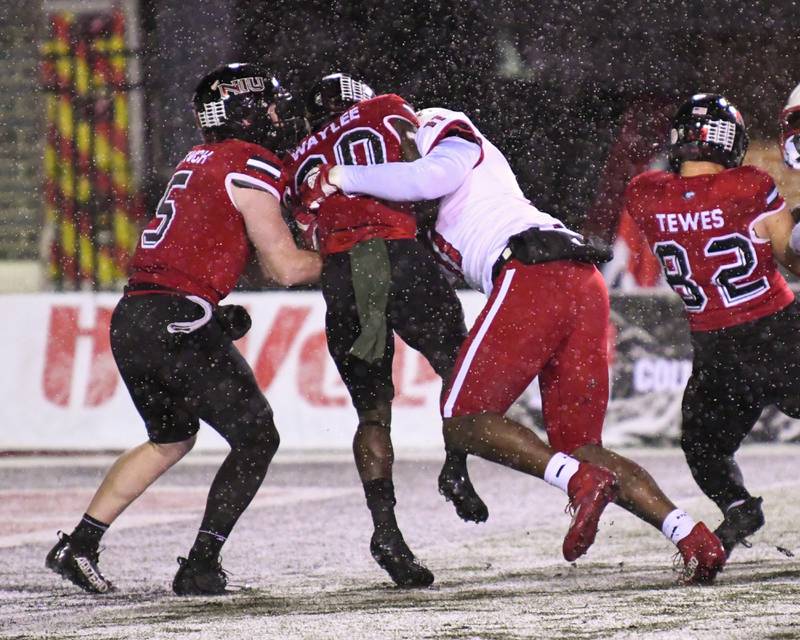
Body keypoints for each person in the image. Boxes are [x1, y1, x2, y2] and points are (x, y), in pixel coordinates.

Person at [301, 106, 726, 584]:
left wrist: (339, 174)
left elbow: (429, 174)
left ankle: (580, 482)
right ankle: (693, 537)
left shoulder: (441, 131)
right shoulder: (423, 220)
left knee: (464, 420)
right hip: (577, 281)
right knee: (581, 446)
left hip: (532, 268)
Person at [284, 75, 619, 587]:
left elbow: (306, 232)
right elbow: (422, 175)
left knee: (372, 413)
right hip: (397, 255)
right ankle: (456, 469)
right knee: (463, 375)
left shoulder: (296, 164)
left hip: (342, 273)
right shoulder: (390, 109)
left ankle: (386, 529)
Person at [45, 63, 322, 595]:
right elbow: (286, 267)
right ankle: (201, 562)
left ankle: (78, 543)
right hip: (174, 318)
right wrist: (359, 256)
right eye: (267, 104)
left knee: (171, 437)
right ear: (243, 112)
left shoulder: (199, 161)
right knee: (256, 436)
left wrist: (212, 311)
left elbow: (186, 252)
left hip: (136, 316)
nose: (275, 114)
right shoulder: (248, 162)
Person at [621, 93, 800, 558]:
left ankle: (739, 505)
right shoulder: (749, 185)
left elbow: (689, 213)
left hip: (714, 347)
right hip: (777, 332)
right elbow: (791, 257)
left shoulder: (644, 194)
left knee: (703, 445)